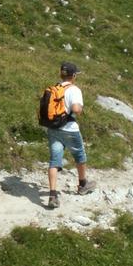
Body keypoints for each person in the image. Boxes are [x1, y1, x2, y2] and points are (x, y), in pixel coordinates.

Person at [46, 62, 96, 209]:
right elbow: (75, 108)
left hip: (53, 128)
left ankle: (52, 195)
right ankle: (82, 185)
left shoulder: (55, 88)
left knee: (54, 160)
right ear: (73, 76)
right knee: (79, 155)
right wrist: (79, 108)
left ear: (61, 74)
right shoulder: (74, 90)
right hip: (69, 128)